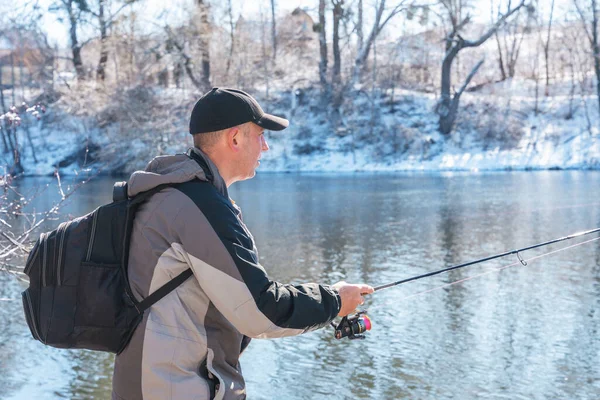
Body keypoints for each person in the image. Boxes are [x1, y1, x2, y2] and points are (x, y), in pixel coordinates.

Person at [112, 88, 374, 400]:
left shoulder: (175, 195)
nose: (265, 147)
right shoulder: (198, 207)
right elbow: (260, 310)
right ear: (235, 139)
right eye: (261, 135)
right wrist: (333, 300)